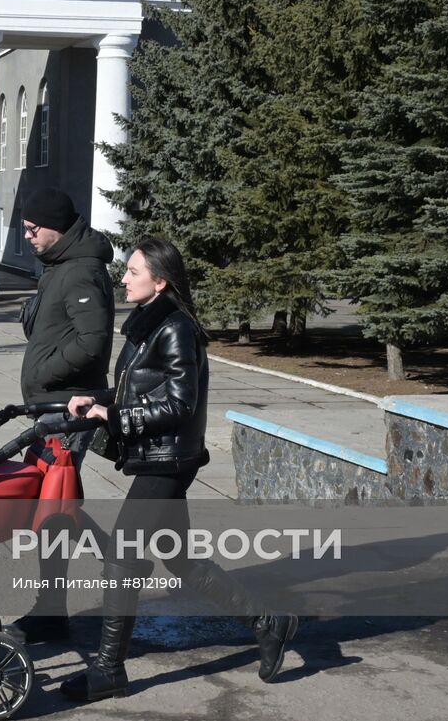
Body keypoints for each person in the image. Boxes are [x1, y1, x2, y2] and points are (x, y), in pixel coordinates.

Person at [60, 237, 299, 702]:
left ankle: (109, 669)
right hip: (161, 454)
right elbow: (138, 391)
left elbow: (179, 404)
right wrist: (97, 400)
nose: (124, 278)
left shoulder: (175, 328)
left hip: (168, 460)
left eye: (133, 271)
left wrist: (116, 417)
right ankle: (269, 623)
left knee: (122, 555)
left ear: (160, 281)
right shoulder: (148, 323)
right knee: (180, 557)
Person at [12, 187, 115, 642]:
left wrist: (45, 375)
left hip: (69, 407)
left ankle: (52, 609)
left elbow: (92, 343)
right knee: (56, 500)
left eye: (33, 228)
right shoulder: (60, 266)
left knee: (54, 505)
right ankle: (114, 559)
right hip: (54, 405)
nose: (28, 236)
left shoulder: (80, 271)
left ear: (55, 226)